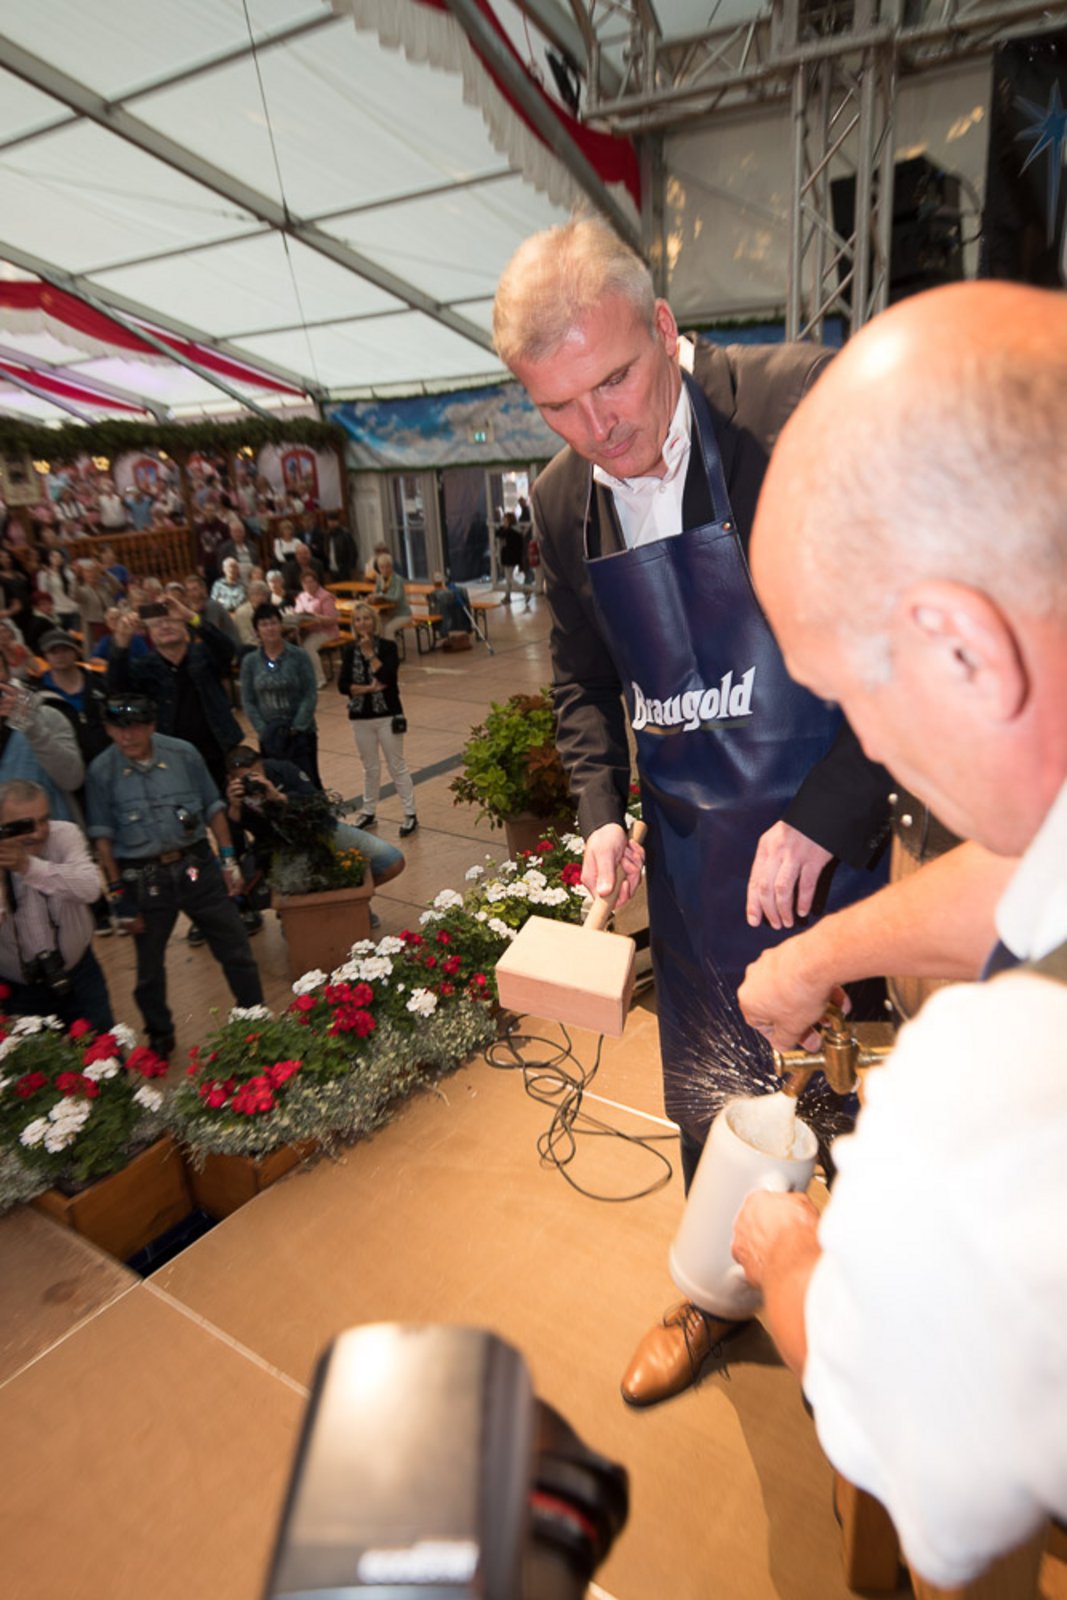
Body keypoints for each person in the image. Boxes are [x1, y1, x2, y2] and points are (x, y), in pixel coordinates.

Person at [493, 217, 890, 1407]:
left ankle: (866, 1338)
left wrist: (825, 810)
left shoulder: (798, 407)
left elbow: (909, 622)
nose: (596, 427)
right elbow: (579, 675)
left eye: (613, 379)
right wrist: (599, 811)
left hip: (833, 841)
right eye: (558, 406)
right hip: (690, 854)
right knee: (709, 1093)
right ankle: (716, 1292)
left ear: (662, 326)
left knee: (851, 1105)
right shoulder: (563, 499)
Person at [726, 281, 1067, 1591]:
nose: (866, 744)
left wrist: (790, 1263)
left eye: (848, 696)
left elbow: (934, 1490)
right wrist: (811, 957)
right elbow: (1033, 876)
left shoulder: (995, 1089)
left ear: (958, 646)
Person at [86, 694, 263, 1060]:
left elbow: (213, 808)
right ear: (107, 729)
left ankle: (256, 1018)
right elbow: (103, 839)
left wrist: (228, 862)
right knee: (149, 968)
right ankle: (160, 1034)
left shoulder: (183, 754)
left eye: (135, 727)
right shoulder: (102, 771)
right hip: (143, 878)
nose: (126, 736)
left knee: (236, 948)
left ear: (151, 726)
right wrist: (118, 897)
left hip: (196, 866)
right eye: (117, 728)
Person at [224, 744, 406, 927]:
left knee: (392, 860)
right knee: (250, 886)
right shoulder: (232, 795)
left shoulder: (283, 770)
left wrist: (280, 797)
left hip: (320, 831)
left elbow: (317, 804)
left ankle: (348, 902)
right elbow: (232, 842)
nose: (251, 783)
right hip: (277, 847)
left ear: (262, 765)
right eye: (243, 779)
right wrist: (234, 810)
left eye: (255, 775)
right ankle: (303, 913)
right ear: (230, 779)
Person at [0, 778, 113, 1032]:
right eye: (25, 825)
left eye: (44, 820)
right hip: (19, 989)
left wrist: (27, 866)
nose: (38, 832)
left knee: (103, 1048)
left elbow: (90, 888)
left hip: (80, 974)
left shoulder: (64, 834)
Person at [338, 602, 418, 837]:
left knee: (396, 765)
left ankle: (410, 813)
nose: (362, 623)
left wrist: (370, 655)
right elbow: (343, 685)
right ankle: (369, 811)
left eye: (366, 618)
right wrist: (369, 689)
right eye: (357, 620)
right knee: (369, 767)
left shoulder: (388, 647)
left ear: (374, 622)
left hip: (388, 716)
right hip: (360, 717)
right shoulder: (348, 650)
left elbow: (388, 677)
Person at [240, 604, 322, 787]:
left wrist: (297, 727)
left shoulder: (299, 656)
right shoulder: (250, 662)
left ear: (281, 625)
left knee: (308, 782)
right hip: (270, 737)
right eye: (264, 624)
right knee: (279, 785)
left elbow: (309, 693)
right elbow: (248, 700)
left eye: (273, 623)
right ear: (256, 631)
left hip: (301, 734)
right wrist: (263, 730)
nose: (270, 628)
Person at [292, 569, 340, 689]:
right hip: (307, 631)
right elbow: (297, 612)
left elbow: (332, 620)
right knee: (292, 644)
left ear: (317, 582)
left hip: (326, 631)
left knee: (308, 646)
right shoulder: (301, 597)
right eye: (305, 583)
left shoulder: (326, 597)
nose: (309, 585)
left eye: (311, 582)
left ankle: (320, 679)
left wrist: (315, 617)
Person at [371, 552, 410, 643]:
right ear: (379, 568)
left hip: (402, 614)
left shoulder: (398, 580)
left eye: (387, 566)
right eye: (382, 567)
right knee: (376, 626)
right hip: (387, 613)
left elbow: (396, 598)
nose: (385, 570)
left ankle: (391, 650)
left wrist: (381, 595)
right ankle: (380, 648)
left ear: (392, 566)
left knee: (388, 629)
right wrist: (373, 597)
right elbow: (375, 594)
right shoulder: (379, 579)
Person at [496, 512, 525, 602]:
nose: (503, 522)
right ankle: (507, 596)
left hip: (509, 557)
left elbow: (499, 534)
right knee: (509, 578)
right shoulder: (516, 530)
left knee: (509, 578)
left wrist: (502, 528)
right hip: (513, 556)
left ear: (509, 521)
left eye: (505, 520)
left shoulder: (510, 531)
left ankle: (524, 590)